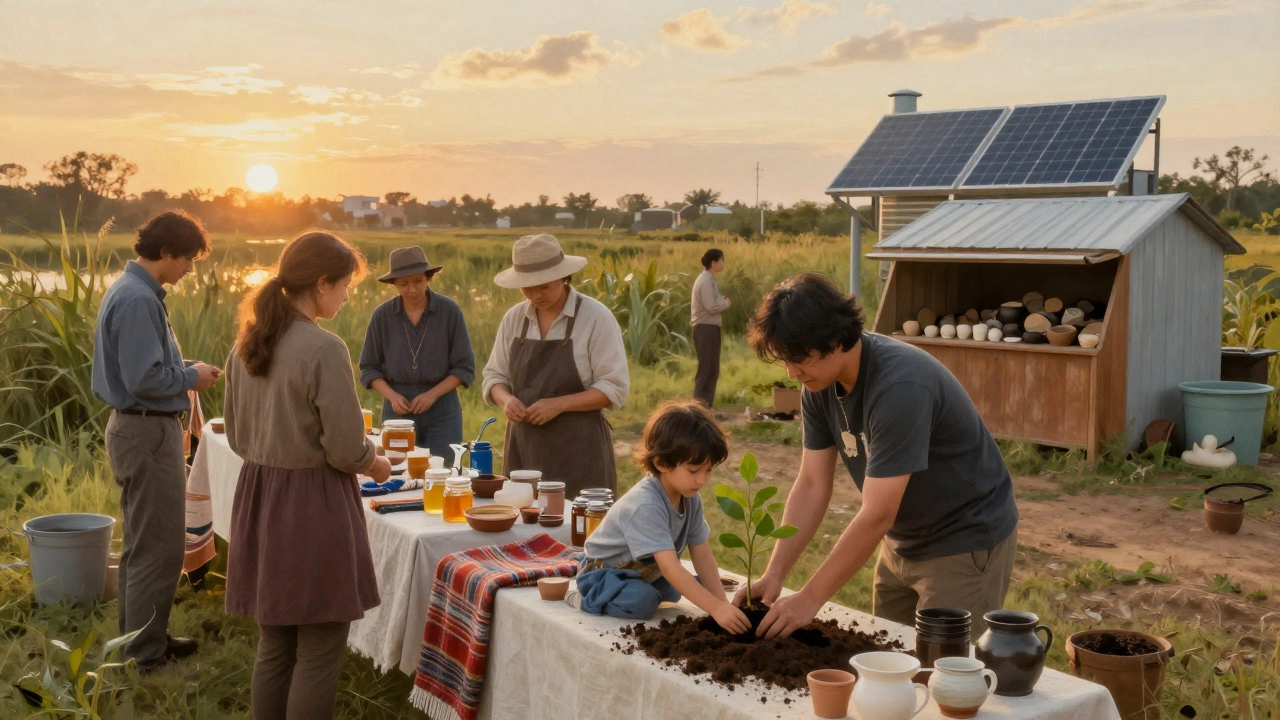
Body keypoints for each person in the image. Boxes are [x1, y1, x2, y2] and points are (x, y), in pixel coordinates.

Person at [739, 273, 1018, 639]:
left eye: (800, 358)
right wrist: (775, 574)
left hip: (963, 539)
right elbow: (810, 484)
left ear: (836, 339)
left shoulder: (900, 386)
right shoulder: (819, 384)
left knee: (944, 673)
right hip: (902, 540)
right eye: (785, 361)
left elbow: (877, 513)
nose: (792, 373)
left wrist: (809, 599)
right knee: (886, 661)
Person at [223, 231, 392, 719]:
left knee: (275, 643)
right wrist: (374, 460)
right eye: (345, 287)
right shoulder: (323, 348)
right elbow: (344, 449)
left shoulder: (247, 344)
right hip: (311, 506)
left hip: (259, 500)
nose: (346, 297)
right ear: (321, 284)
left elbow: (235, 437)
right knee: (320, 648)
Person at [91, 210, 220, 670]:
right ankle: (145, 655)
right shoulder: (138, 300)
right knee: (159, 547)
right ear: (165, 253)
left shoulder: (135, 292)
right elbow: (144, 379)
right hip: (145, 430)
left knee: (144, 543)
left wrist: (185, 373)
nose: (190, 268)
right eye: (188, 259)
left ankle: (142, 639)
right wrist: (192, 376)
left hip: (140, 428)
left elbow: (145, 371)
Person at [567, 400, 749, 634]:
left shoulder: (691, 498)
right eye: (693, 471)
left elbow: (702, 553)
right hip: (603, 574)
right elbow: (671, 568)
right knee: (644, 601)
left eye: (708, 470)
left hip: (645, 573)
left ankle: (653, 591)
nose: (701, 480)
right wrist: (714, 608)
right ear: (661, 463)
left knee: (687, 587)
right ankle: (583, 599)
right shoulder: (646, 505)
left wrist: (722, 604)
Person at [482, 233, 628, 496]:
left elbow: (613, 388)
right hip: (524, 450)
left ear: (563, 276)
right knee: (524, 528)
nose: (536, 295)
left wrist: (559, 404)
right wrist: (505, 400)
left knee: (580, 531)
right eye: (527, 287)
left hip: (580, 451)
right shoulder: (514, 319)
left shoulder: (596, 318)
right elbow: (494, 376)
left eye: (544, 286)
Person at [360, 246, 475, 466]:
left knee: (441, 469)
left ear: (428, 278)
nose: (412, 289)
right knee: (398, 470)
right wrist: (392, 396)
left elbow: (464, 368)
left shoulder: (449, 311)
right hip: (397, 411)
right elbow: (369, 368)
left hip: (442, 409)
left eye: (418, 281)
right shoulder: (382, 316)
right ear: (393, 283)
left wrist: (432, 394)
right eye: (403, 284)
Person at [691, 248, 731, 407]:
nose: (723, 263)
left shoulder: (710, 279)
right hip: (705, 328)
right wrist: (726, 303)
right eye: (722, 259)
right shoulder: (705, 280)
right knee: (706, 370)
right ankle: (699, 408)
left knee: (712, 369)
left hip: (710, 328)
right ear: (713, 262)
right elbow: (711, 306)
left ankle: (706, 407)